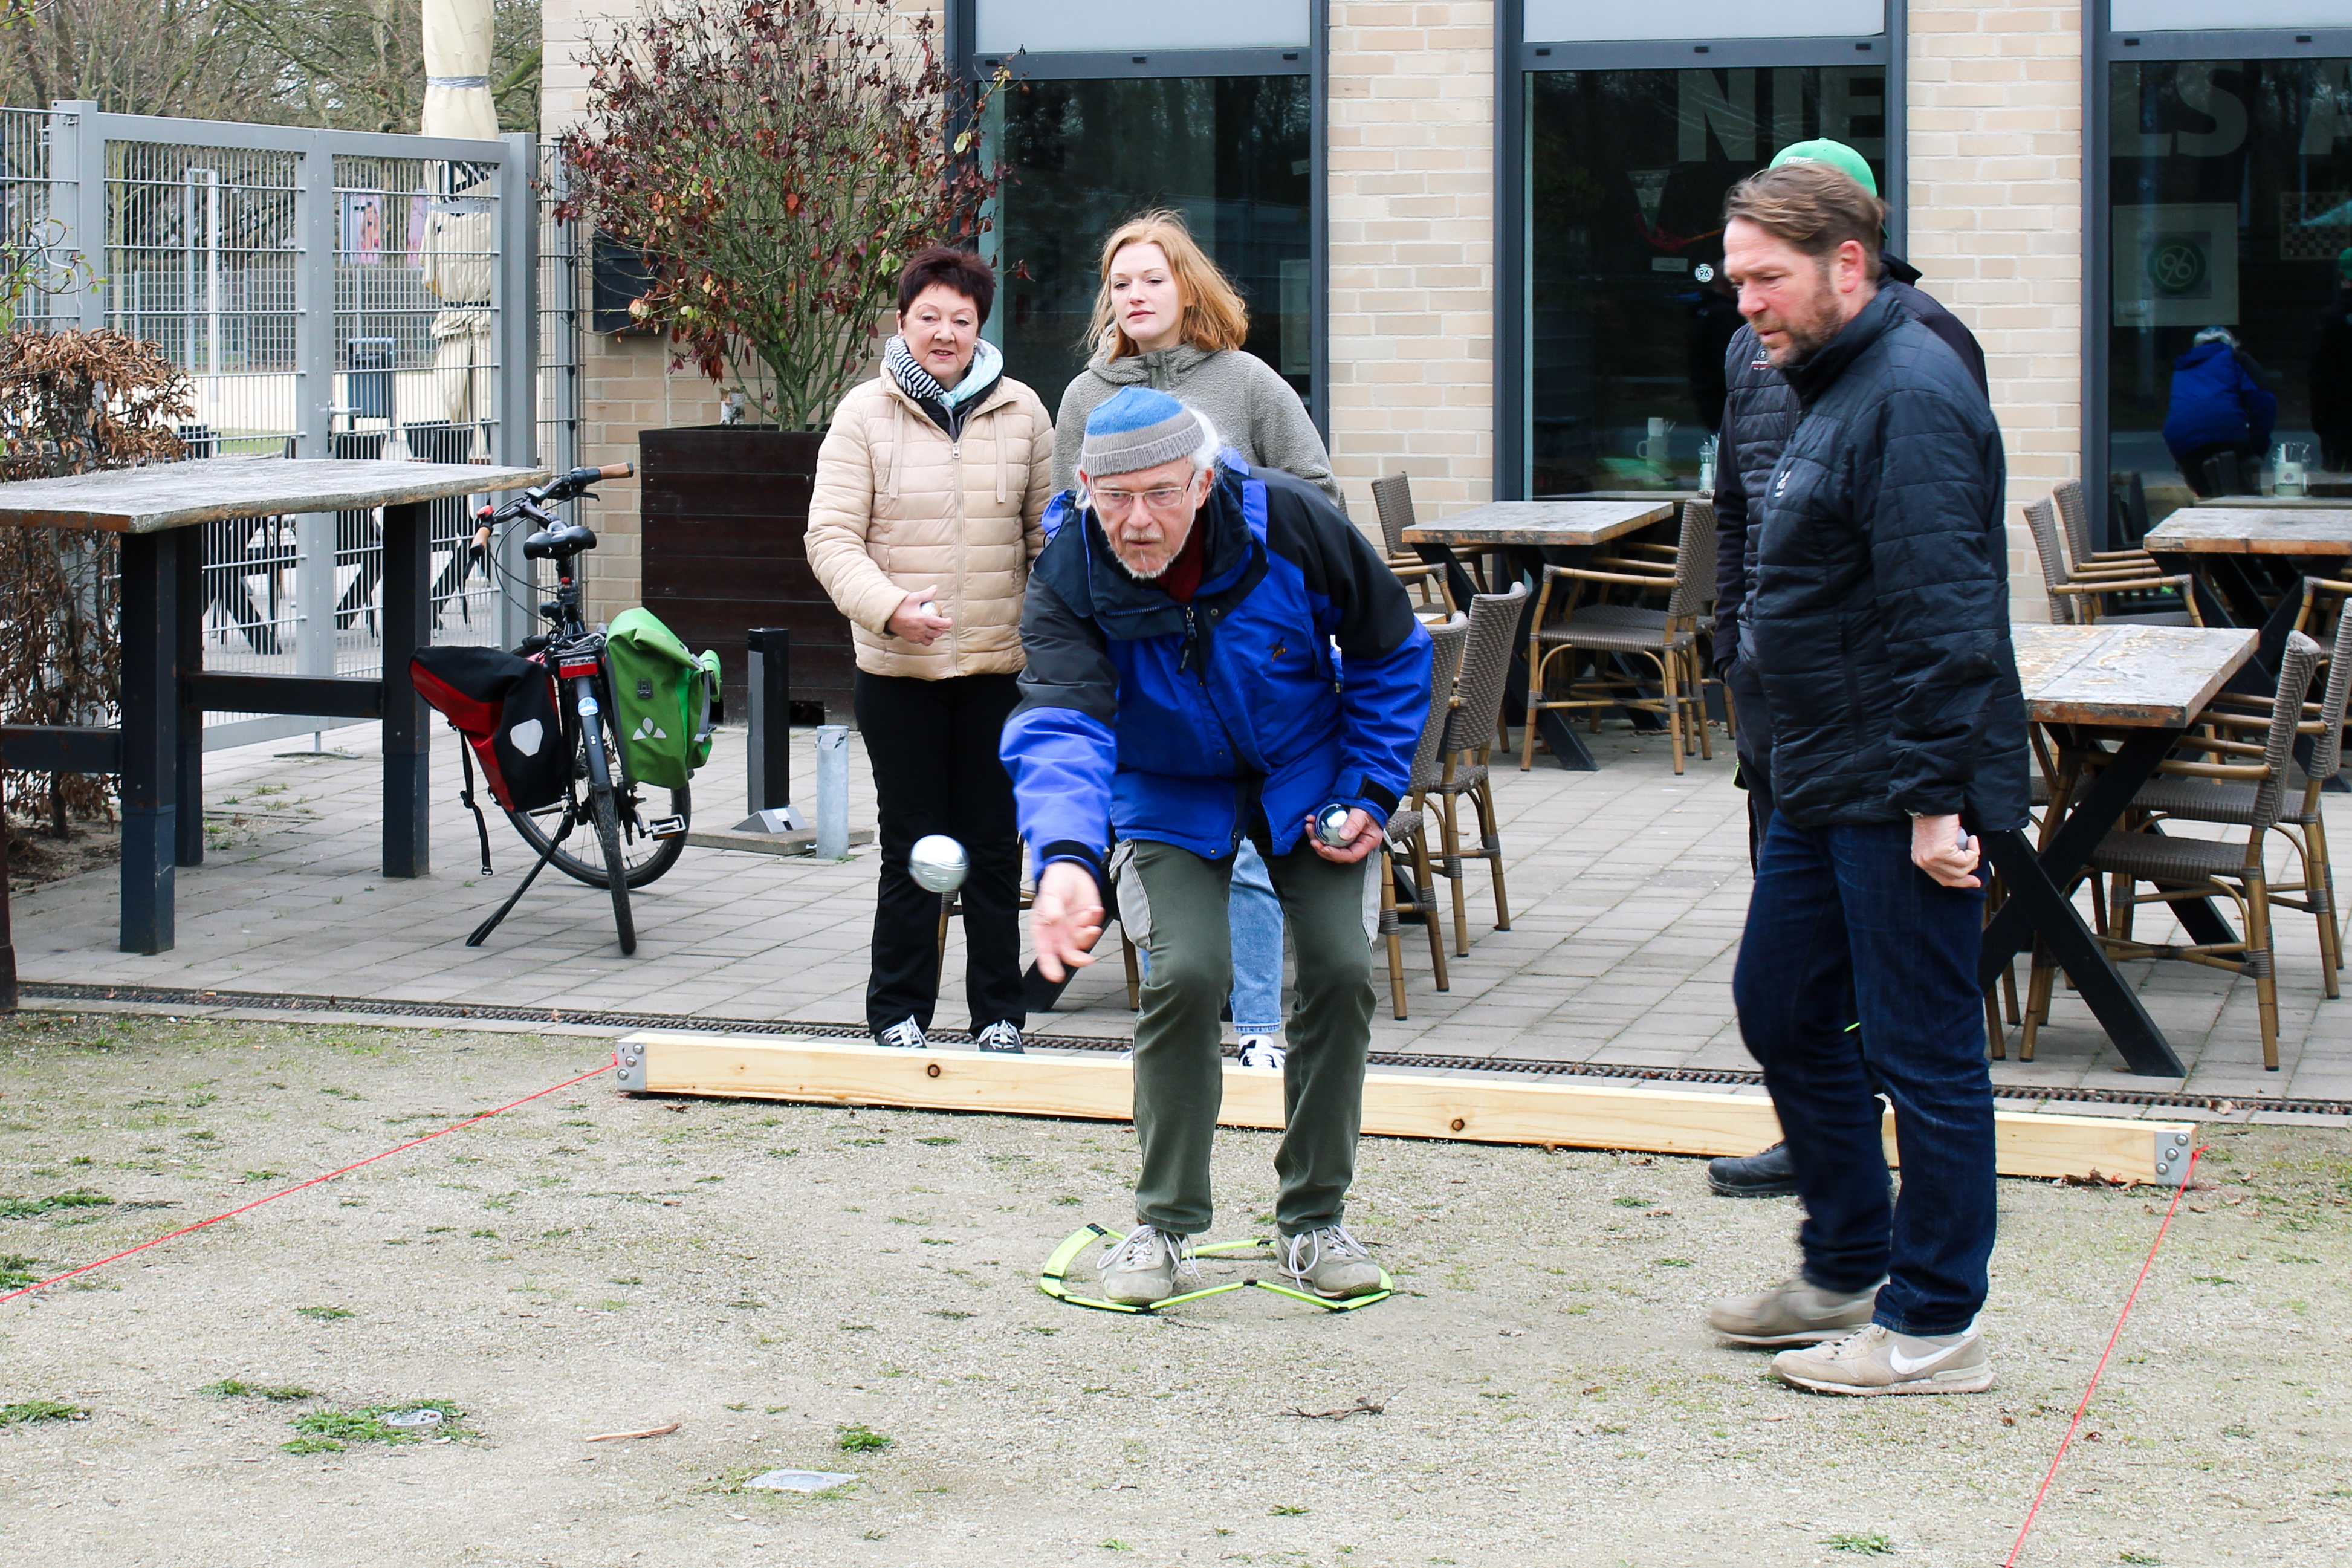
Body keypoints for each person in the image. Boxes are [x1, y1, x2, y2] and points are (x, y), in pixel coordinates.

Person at [1703, 163, 2025, 1396]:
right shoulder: (1824, 380)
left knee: (1923, 1050)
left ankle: (1934, 1321)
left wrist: (1940, 801)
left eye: (1765, 279)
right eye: (1734, 280)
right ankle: (1844, 1260)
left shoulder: (1911, 390)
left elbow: (1945, 616)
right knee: (1779, 1003)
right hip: (1818, 770)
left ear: (1850, 264)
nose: (1745, 305)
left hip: (1901, 785)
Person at [1005, 386, 1431, 1306]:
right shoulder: (1070, 568)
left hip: (1303, 771)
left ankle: (1313, 1220)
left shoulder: (1290, 519)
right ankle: (1162, 1227)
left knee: (1337, 966)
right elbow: (1060, 724)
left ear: (1203, 481)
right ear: (1083, 485)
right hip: (1164, 787)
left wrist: (1366, 786)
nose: (1137, 519)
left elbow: (1389, 648)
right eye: (1113, 497)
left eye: (1160, 492)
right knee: (1185, 972)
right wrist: (1069, 860)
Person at [1058, 209, 1341, 1069]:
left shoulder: (1246, 382)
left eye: (1152, 278)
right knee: (1169, 842)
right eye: (1119, 283)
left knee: (1253, 851)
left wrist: (1235, 518)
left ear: (1186, 286)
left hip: (1251, 658)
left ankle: (1256, 1028)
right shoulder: (1084, 396)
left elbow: (1319, 497)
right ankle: (1182, 1030)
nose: (1135, 295)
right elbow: (1064, 526)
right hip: (1141, 662)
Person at [805, 247, 1054, 1054]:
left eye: (961, 319)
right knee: (912, 846)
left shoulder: (1022, 412)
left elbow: (1043, 538)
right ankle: (897, 1010)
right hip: (898, 672)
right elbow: (831, 537)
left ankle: (999, 1015)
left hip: (997, 672)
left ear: (979, 326)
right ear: (902, 320)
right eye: (928, 317)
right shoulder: (861, 415)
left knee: (990, 847)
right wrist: (888, 609)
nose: (943, 333)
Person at [2163, 325, 2277, 496]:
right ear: (2233, 344)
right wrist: (2256, 447)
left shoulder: (2182, 368)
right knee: (2243, 500)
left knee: (2208, 500)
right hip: (2225, 431)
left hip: (2181, 439)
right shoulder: (2235, 358)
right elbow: (2264, 401)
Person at [2309, 248, 2352, 471]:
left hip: (2339, 424)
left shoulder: (2330, 316)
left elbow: (2320, 372)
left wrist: (2320, 419)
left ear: (2341, 275)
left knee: (2335, 489)